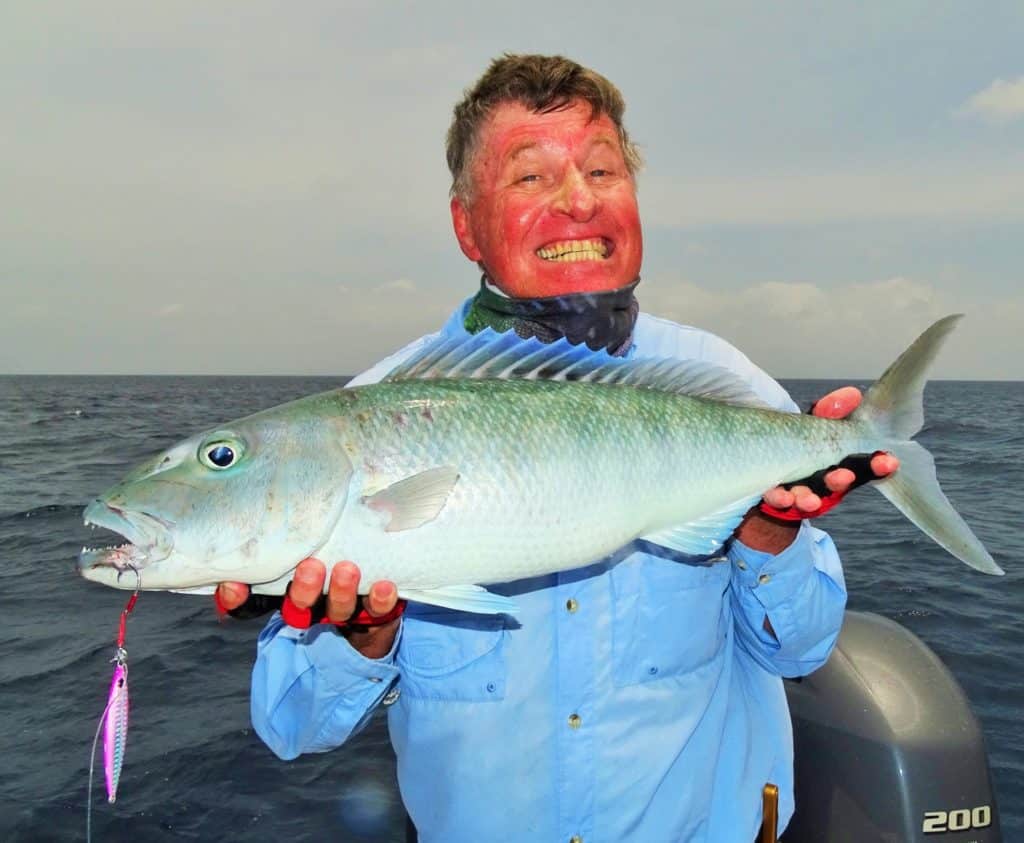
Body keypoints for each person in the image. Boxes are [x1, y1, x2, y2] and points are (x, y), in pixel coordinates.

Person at [217, 54, 897, 842]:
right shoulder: (366, 422)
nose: (578, 200)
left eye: (602, 169)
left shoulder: (724, 387)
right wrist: (366, 634)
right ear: (466, 224)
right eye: (531, 178)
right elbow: (292, 722)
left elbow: (803, 648)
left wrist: (767, 535)